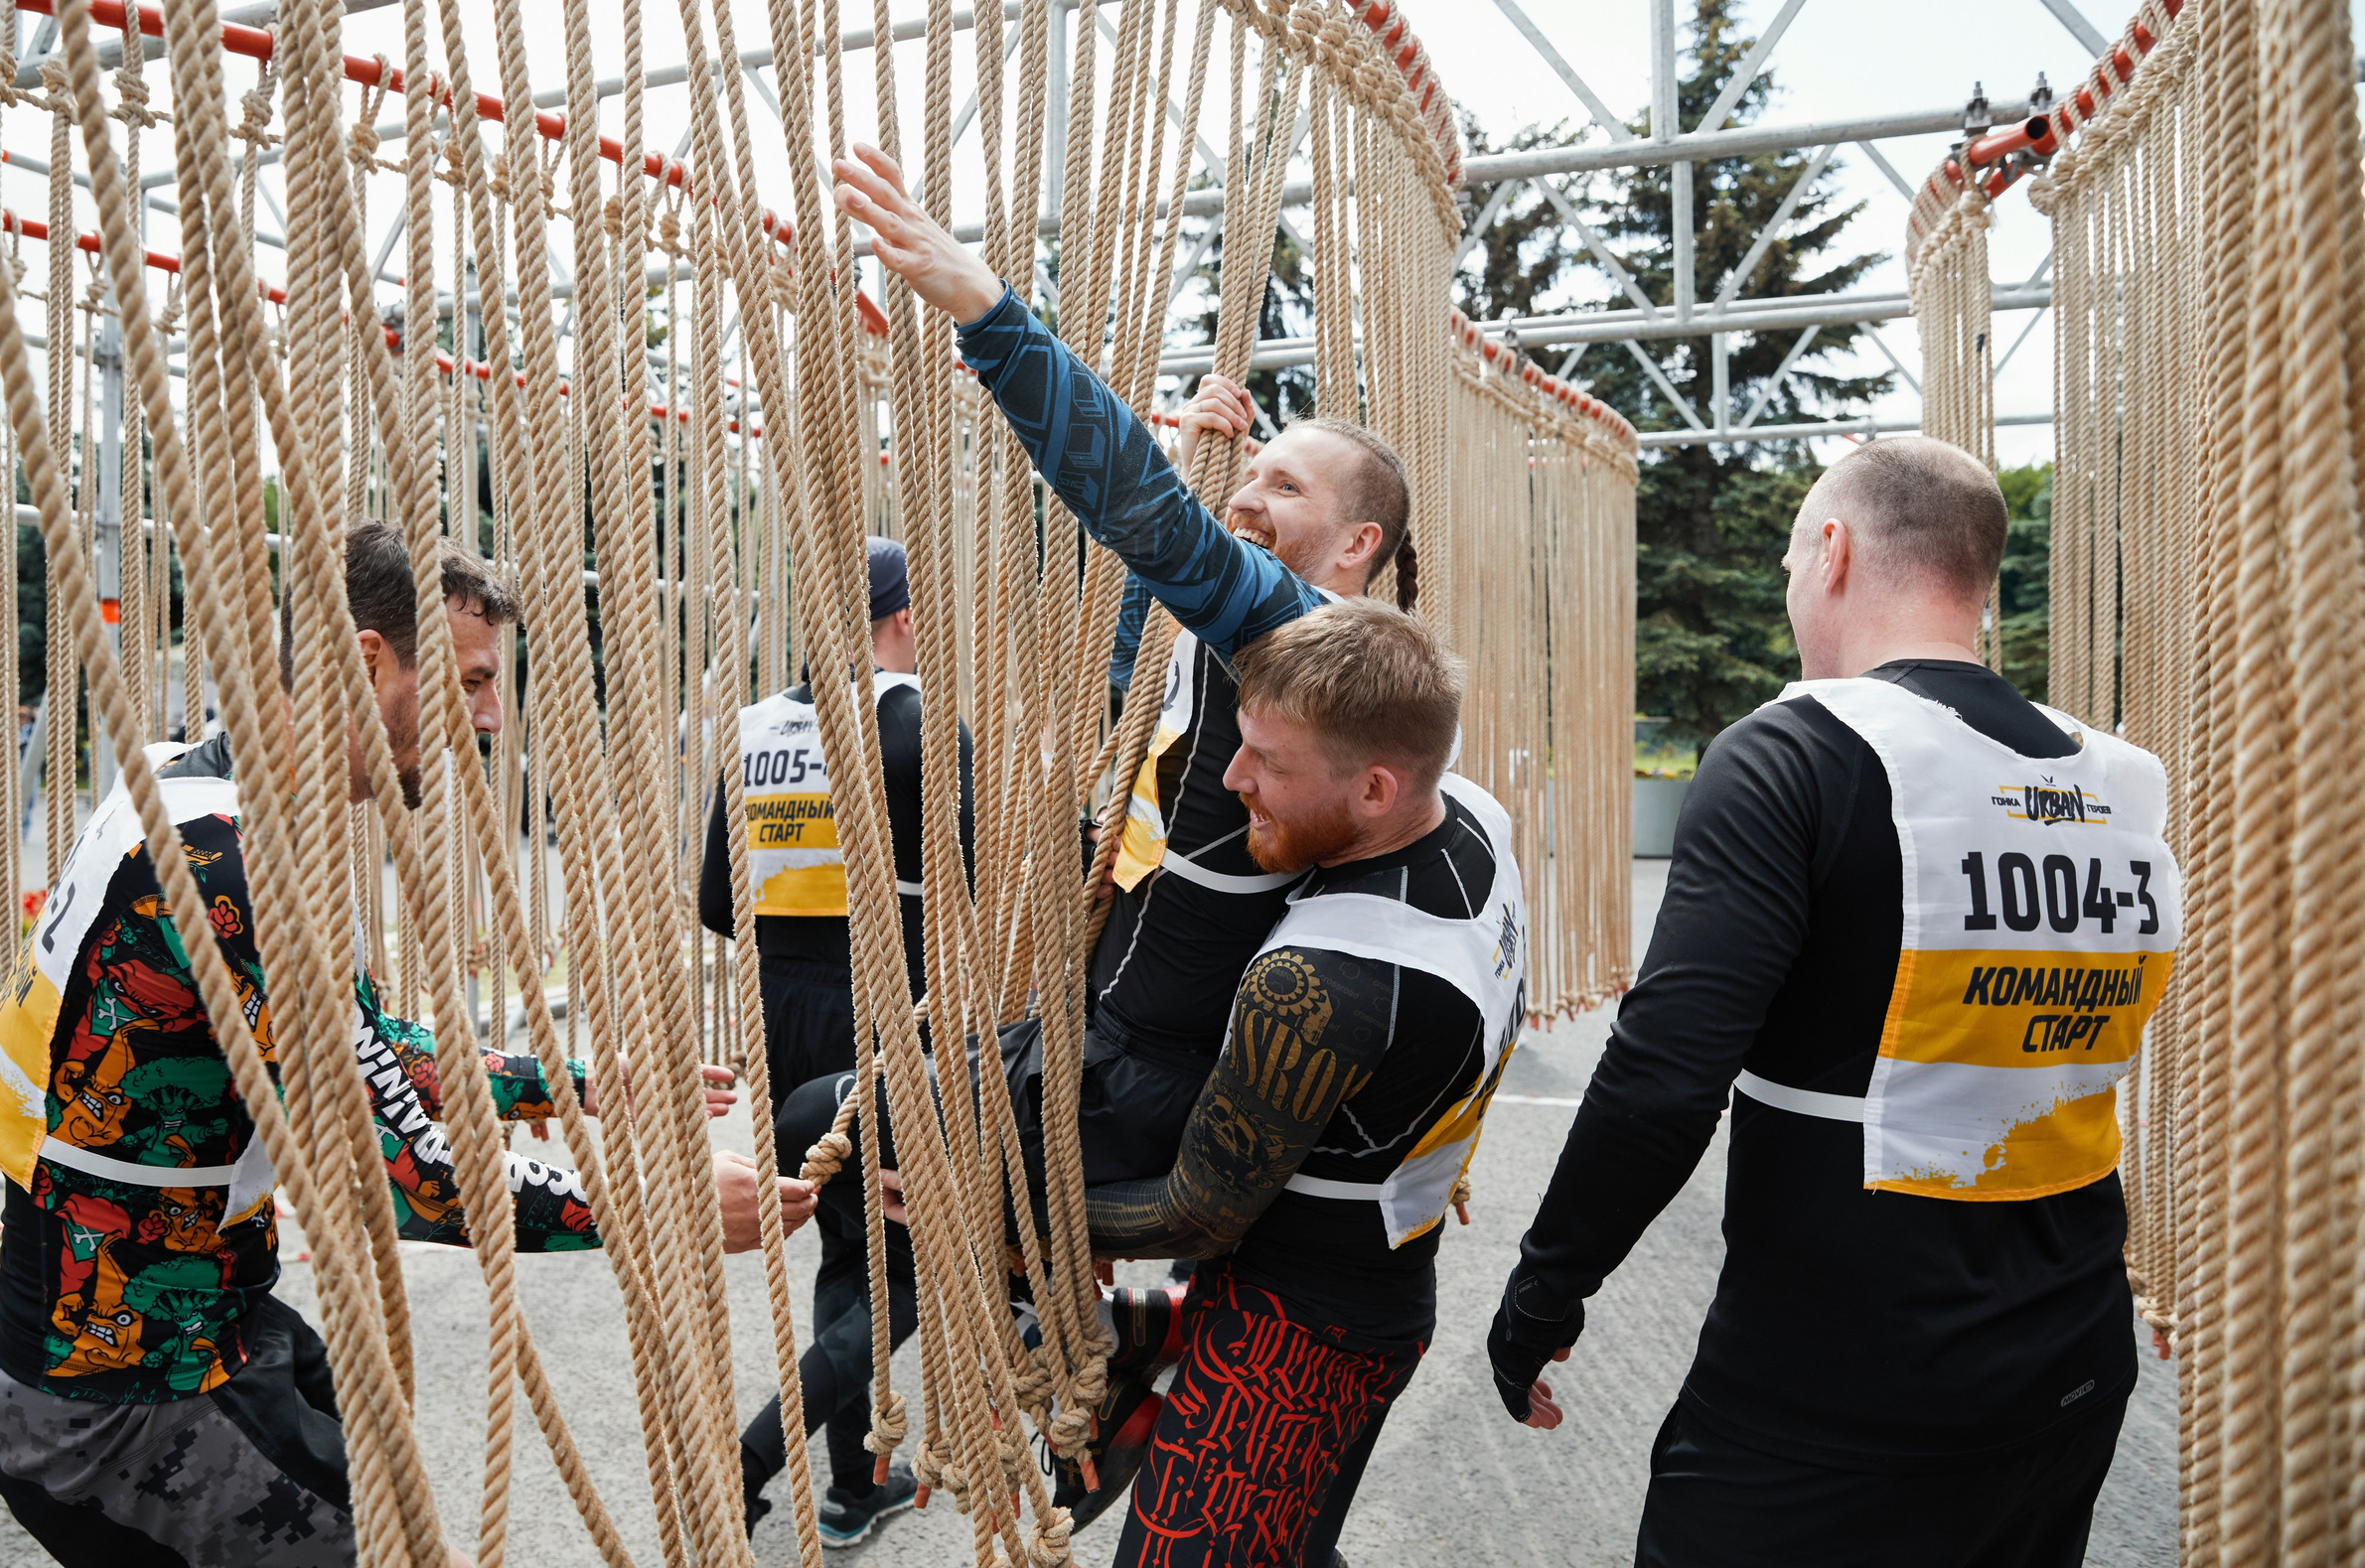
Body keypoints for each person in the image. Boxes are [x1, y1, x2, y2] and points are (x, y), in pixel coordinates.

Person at [0, 518, 815, 1568]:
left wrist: (571, 1084)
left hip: (179, 1335)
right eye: (470, 681)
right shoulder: (236, 873)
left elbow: (363, 1049)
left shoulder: (185, 787)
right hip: (110, 1402)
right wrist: (666, 1210)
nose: (489, 717)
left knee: (374, 1469)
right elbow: (413, 1174)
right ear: (367, 661)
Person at [825, 140, 1427, 1510]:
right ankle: (1092, 1346)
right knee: (862, 1128)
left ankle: (1082, 1364)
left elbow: (1155, 530)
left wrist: (993, 314)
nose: (1248, 496)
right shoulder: (1258, 648)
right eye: (1252, 473)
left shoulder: (1307, 635)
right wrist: (1190, 456)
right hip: (1112, 1017)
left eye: (1284, 487)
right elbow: (1135, 601)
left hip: (1152, 1064)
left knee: (890, 1146)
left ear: (1357, 548)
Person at [1486, 438, 2178, 1568]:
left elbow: (1664, 1073)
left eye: (1788, 564)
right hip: (2070, 1362)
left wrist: (1543, 1292)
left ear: (1833, 552)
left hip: (1841, 1387)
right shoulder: (2124, 784)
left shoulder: (1796, 751)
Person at [1080, 599, 1525, 1568]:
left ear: (1374, 788)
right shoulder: (1473, 816)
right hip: (1378, 1288)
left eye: (1269, 764)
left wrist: (1011, 1220)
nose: (1232, 778)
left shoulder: (1320, 984)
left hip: (1294, 1339)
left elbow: (1199, 1215)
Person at [699, 535, 976, 1548]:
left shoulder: (754, 729)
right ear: (901, 617)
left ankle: (857, 1478)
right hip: (879, 1017)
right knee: (909, 1269)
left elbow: (716, 900)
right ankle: (751, 1460)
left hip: (779, 1010)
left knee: (842, 1240)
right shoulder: (917, 724)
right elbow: (979, 883)